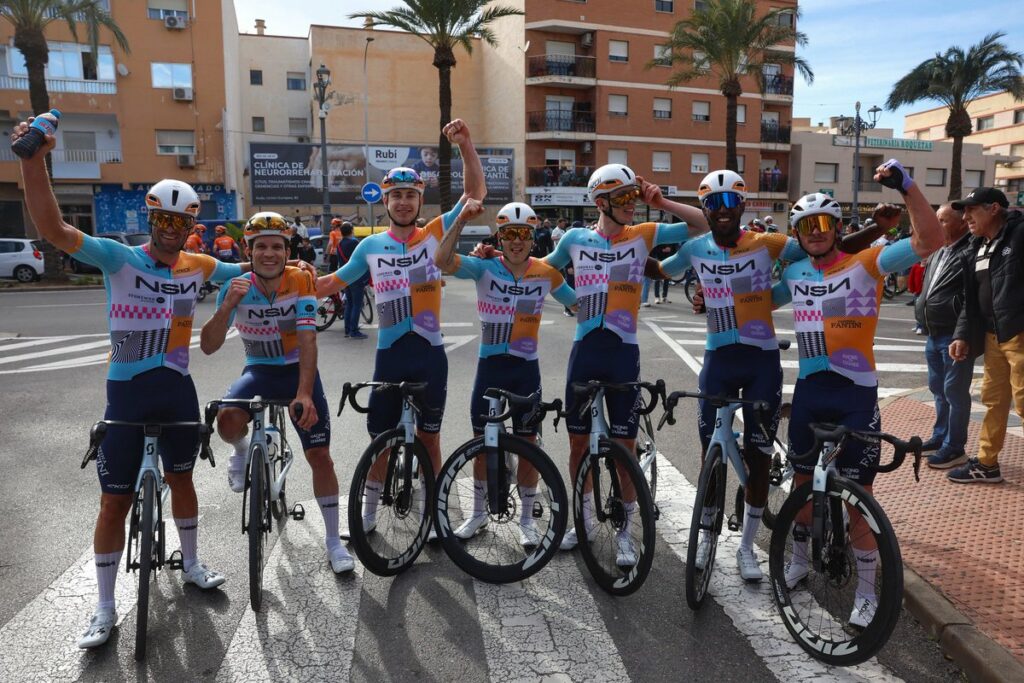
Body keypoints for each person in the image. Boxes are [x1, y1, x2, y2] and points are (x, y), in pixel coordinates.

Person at [14, 113, 257, 649]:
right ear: (151, 219)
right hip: (126, 394)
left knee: (183, 481)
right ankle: (104, 607)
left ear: (190, 226)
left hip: (176, 391)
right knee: (113, 503)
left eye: (179, 222)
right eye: (162, 219)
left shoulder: (199, 265)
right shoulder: (118, 259)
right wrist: (34, 162)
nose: (170, 228)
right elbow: (54, 230)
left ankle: (191, 564)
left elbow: (250, 271)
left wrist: (299, 274)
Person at [772, 159, 942, 625]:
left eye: (824, 224)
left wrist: (907, 186)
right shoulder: (794, 274)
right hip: (810, 391)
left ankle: (866, 592)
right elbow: (755, 303)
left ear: (838, 227)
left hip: (856, 395)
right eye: (807, 226)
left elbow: (931, 240)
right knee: (802, 488)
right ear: (797, 233)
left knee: (859, 500)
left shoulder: (867, 263)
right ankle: (799, 561)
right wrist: (707, 298)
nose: (816, 233)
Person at [315, 119, 485, 534]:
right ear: (386, 201)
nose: (404, 202)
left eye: (411, 195)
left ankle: (434, 513)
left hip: (429, 354)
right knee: (382, 441)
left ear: (420, 200)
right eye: (397, 196)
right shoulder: (371, 246)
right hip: (390, 356)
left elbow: (474, 193)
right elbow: (332, 283)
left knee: (429, 439)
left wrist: (465, 144)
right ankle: (369, 513)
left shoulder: (435, 233)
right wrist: (282, 282)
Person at [545, 163, 710, 563]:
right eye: (622, 198)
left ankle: (625, 530)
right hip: (585, 350)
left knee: (624, 445)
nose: (631, 204)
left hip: (623, 352)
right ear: (600, 202)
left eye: (633, 196)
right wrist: (571, 300)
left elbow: (702, 224)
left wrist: (661, 201)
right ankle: (584, 521)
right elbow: (542, 269)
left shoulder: (643, 234)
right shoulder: (575, 238)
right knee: (578, 442)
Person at [659, 169, 807, 581]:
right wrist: (616, 252)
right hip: (719, 360)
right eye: (713, 202)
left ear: (742, 205)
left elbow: (816, 255)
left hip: (761, 361)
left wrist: (771, 298)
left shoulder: (766, 242)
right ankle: (707, 533)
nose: (722, 209)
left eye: (730, 201)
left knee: (758, 456)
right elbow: (661, 271)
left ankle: (746, 547)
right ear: (705, 209)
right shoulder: (694, 248)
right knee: (710, 448)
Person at [200, 212, 355, 574]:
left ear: (288, 251)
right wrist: (227, 305)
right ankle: (242, 450)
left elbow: (308, 339)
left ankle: (333, 542)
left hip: (298, 371)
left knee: (320, 455)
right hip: (259, 370)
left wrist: (304, 394)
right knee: (226, 420)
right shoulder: (235, 285)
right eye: (261, 247)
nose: (269, 254)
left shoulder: (300, 279)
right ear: (248, 251)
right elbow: (207, 346)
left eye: (276, 247)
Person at [434, 201, 576, 544]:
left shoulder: (546, 272)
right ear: (500, 237)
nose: (516, 241)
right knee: (482, 445)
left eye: (523, 234)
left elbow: (579, 305)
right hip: (491, 369)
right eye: (509, 234)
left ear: (532, 238)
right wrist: (461, 220)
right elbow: (441, 260)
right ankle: (478, 514)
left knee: (528, 444)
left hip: (526, 370)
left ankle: (526, 521)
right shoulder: (483, 268)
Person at [948, 187, 1024, 484]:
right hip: (994, 335)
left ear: (994, 209)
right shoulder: (977, 247)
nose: (965, 216)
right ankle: (987, 463)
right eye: (964, 211)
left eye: (972, 209)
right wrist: (962, 334)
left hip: (1018, 333)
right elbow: (972, 299)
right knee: (993, 400)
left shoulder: (1019, 234)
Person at [915, 204, 975, 469]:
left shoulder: (970, 251)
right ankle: (941, 437)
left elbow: (971, 300)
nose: (937, 225)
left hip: (954, 335)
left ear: (962, 223)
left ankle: (954, 447)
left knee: (955, 392)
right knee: (938, 389)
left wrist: (962, 333)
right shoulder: (940, 250)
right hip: (934, 332)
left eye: (943, 220)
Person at [337, 221, 369, 339]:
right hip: (356, 277)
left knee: (349, 304)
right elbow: (363, 258)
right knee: (357, 304)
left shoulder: (339, 244)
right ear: (351, 230)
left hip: (345, 277)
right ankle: (354, 331)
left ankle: (347, 329)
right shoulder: (354, 242)